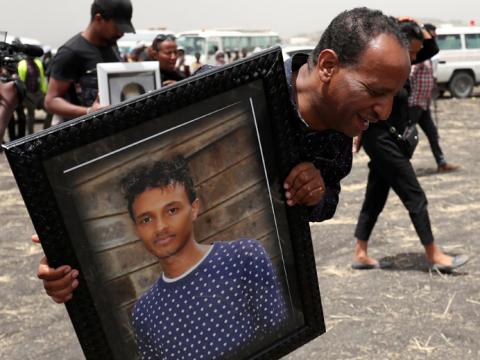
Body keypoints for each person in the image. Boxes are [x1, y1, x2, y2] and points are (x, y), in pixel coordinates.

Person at [37, 7, 410, 302]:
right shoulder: (227, 92)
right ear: (328, 66)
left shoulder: (341, 132)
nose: (386, 110)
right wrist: (66, 247)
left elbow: (328, 200)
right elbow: (121, 177)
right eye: (376, 91)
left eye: (393, 95)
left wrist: (315, 194)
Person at [122, 157, 287, 359]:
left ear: (194, 208)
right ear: (136, 228)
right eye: (146, 219)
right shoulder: (144, 312)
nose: (160, 227)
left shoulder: (244, 258)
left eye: (172, 210)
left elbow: (283, 341)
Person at [352, 20, 469, 272]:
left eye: (415, 52)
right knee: (415, 195)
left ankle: (360, 253)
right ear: (399, 46)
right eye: (412, 51)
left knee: (375, 196)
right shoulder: (383, 66)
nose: (416, 56)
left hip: (392, 140)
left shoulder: (404, 65)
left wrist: (416, 25)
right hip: (381, 139)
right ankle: (435, 255)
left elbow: (432, 49)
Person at [44, 0, 135, 123]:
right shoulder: (70, 52)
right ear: (98, 19)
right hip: (82, 134)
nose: (121, 33)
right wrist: (88, 112)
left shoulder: (112, 46)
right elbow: (51, 101)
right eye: (117, 27)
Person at [408, 23, 459, 173]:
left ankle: (441, 163)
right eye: (432, 33)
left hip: (424, 103)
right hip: (414, 103)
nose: (434, 36)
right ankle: (402, 165)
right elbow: (410, 75)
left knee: (432, 133)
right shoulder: (419, 58)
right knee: (407, 135)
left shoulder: (428, 56)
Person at [17, 56, 49, 134]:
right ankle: (30, 135)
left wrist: (44, 91)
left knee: (50, 110)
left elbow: (41, 77)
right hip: (28, 94)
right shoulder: (22, 64)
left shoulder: (38, 63)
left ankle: (45, 131)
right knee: (31, 115)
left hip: (39, 93)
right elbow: (21, 80)